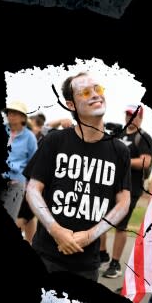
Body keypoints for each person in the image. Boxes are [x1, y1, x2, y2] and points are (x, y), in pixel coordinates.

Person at [24, 71, 131, 282]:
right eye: (85, 92)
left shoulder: (119, 151)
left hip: (86, 265)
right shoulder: (55, 141)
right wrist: (56, 230)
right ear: (71, 105)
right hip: (44, 256)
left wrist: (90, 235)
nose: (95, 95)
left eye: (98, 89)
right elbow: (33, 188)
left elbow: (124, 201)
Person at [101, 104, 152, 279]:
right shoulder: (119, 133)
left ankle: (115, 263)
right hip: (111, 185)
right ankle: (102, 254)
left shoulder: (144, 138)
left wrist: (124, 160)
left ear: (140, 118)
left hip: (131, 188)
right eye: (128, 114)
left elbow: (146, 162)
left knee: (120, 226)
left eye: (134, 115)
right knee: (102, 219)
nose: (130, 118)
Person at [2, 99, 38, 220]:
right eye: (10, 112)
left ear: (23, 118)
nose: (11, 115)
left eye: (15, 113)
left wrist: (29, 186)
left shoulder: (29, 137)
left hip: (16, 183)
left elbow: (33, 164)